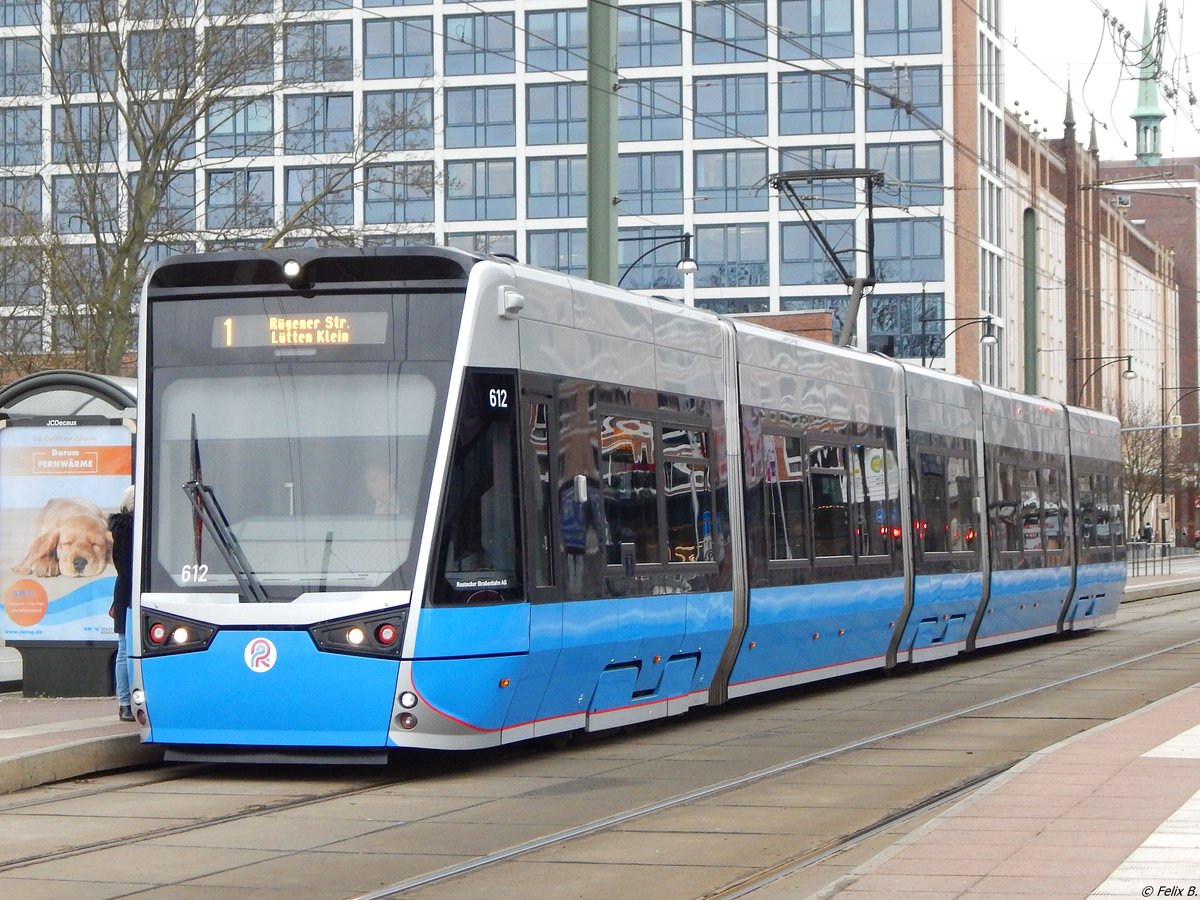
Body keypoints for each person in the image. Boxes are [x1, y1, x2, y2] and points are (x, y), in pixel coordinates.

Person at [108, 484, 135, 722]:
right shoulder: (127, 529)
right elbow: (125, 566)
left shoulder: (123, 529)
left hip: (125, 592)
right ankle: (124, 702)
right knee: (125, 649)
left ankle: (126, 702)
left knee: (125, 649)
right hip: (128, 595)